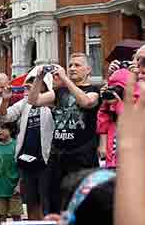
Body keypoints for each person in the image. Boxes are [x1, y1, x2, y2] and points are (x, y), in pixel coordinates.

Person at [31, 54, 101, 210]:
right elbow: (34, 101)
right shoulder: (60, 91)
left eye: (77, 65)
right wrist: (38, 78)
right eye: (70, 65)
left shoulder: (94, 90)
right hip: (58, 155)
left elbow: (86, 102)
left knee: (81, 201)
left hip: (82, 156)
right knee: (55, 201)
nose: (72, 68)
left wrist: (64, 79)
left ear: (88, 69)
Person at [0, 68, 55, 219]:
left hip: (45, 159)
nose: (29, 86)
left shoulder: (53, 100)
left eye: (35, 82)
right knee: (31, 202)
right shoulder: (25, 103)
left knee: (45, 202)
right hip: (26, 158)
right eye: (28, 84)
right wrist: (5, 100)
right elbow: (4, 118)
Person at [0, 120, 23, 223]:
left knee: (16, 215)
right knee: (1, 216)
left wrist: (19, 185)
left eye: (2, 128)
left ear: (11, 130)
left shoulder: (17, 146)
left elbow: (21, 167)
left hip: (13, 187)